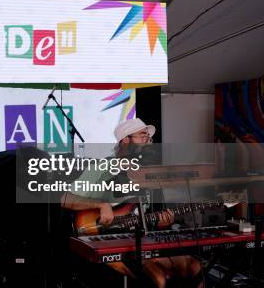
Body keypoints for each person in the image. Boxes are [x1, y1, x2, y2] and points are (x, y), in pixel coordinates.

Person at [61, 118, 203, 288]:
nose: (148, 140)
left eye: (149, 138)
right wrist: (102, 205)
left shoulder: (146, 174)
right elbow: (65, 199)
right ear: (126, 141)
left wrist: (160, 222)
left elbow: (141, 215)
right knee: (158, 278)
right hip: (108, 240)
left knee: (194, 266)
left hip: (139, 241)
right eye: (142, 135)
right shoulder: (103, 167)